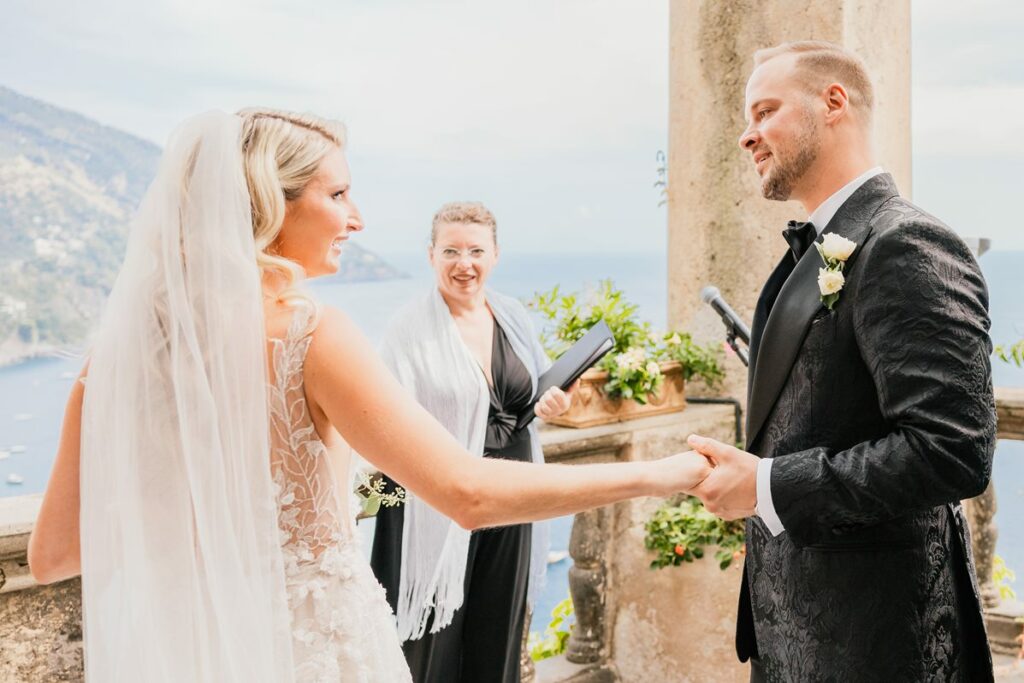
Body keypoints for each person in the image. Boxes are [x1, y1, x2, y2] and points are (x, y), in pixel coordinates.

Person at [26, 108, 713, 683]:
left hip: (194, 651)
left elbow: (53, 553)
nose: (355, 219)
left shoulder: (113, 361)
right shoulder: (313, 335)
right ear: (270, 202)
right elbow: (465, 492)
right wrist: (656, 474)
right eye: (337, 195)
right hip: (315, 652)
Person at [686, 41, 997, 681]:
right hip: (796, 634)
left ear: (834, 103)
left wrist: (765, 485)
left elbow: (953, 449)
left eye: (765, 111)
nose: (747, 136)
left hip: (878, 642)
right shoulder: (821, 247)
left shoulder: (905, 241)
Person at [369, 201, 570, 683]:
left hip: (514, 495)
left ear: (495, 254)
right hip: (437, 503)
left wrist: (556, 403)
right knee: (429, 639)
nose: (465, 263)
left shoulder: (513, 316)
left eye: (476, 250)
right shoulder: (407, 331)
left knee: (497, 631)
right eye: (451, 251)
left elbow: (539, 389)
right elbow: (383, 425)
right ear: (430, 255)